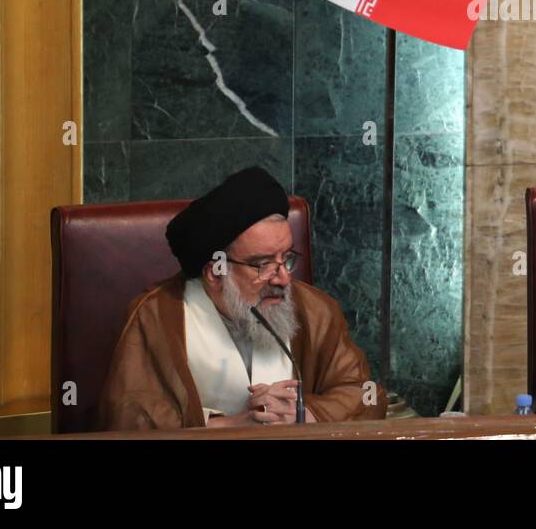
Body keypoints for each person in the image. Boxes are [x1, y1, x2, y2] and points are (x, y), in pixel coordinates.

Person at [98, 166, 387, 429]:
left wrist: (304, 413)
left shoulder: (315, 309)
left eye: (286, 258)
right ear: (216, 271)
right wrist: (228, 425)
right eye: (262, 265)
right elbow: (129, 418)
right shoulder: (157, 316)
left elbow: (366, 396)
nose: (284, 279)